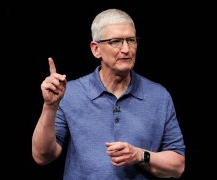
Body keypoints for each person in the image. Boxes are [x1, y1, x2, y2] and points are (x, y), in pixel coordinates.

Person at [32, 8, 185, 179]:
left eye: (131, 40)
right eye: (116, 41)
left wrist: (139, 155)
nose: (126, 49)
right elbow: (42, 156)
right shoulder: (70, 93)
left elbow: (177, 166)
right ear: (96, 49)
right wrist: (50, 107)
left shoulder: (159, 96)